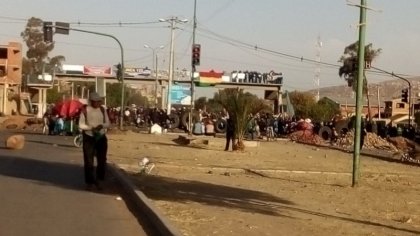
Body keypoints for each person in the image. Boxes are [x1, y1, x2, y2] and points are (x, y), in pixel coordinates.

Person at [78, 92, 110, 191]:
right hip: (89, 136)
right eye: (95, 102)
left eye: (98, 101)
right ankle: (89, 182)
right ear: (91, 101)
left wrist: (102, 126)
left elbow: (108, 123)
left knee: (102, 160)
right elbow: (81, 125)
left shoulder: (102, 110)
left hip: (100, 136)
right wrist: (90, 128)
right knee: (88, 161)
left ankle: (99, 180)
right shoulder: (85, 110)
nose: (97, 103)